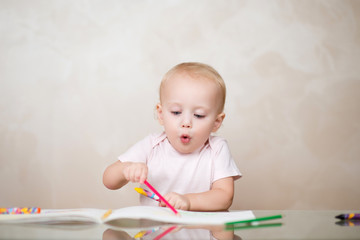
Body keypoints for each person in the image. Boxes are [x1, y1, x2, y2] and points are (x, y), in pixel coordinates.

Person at [103, 62, 241, 211]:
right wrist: (126, 169)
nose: (186, 123)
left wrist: (188, 201)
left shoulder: (217, 148)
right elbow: (108, 181)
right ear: (161, 114)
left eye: (199, 115)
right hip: (156, 232)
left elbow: (224, 197)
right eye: (176, 112)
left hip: (201, 232)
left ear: (216, 122)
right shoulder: (151, 145)